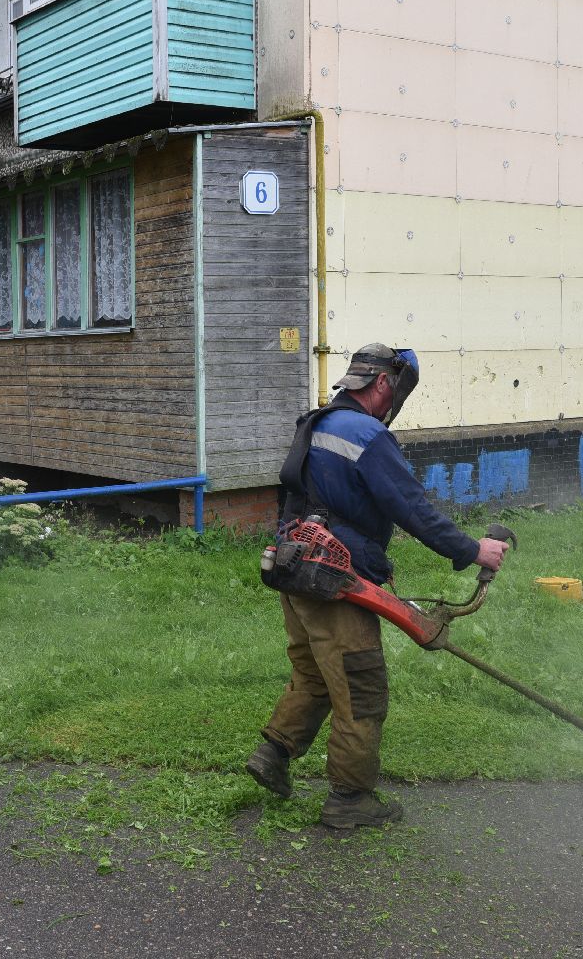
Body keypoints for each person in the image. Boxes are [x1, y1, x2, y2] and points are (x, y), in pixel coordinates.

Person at [247, 344, 510, 829]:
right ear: (386, 385)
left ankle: (273, 753)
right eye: (398, 392)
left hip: (295, 568)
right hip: (334, 582)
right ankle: (350, 800)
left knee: (315, 674)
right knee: (361, 686)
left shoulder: (316, 423)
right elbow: (412, 509)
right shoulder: (367, 435)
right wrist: (473, 550)